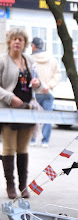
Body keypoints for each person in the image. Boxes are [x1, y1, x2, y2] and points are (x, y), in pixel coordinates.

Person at [0, 28, 39, 199]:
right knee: (9, 148)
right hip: (8, 112)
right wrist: (10, 98)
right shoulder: (2, 60)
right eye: (14, 39)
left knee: (23, 149)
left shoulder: (29, 60)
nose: (17, 42)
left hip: (27, 111)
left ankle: (23, 186)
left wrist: (37, 83)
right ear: (9, 42)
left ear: (25, 44)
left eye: (20, 40)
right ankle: (10, 186)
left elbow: (37, 82)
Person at [30, 37, 61, 147]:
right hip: (48, 93)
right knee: (47, 117)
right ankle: (45, 141)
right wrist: (49, 85)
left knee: (33, 116)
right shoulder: (52, 59)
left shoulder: (30, 59)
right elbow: (58, 75)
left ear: (33, 46)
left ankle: (32, 139)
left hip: (34, 93)